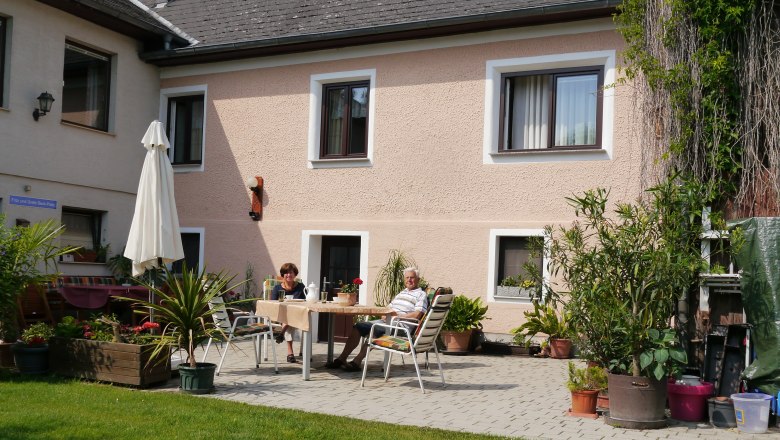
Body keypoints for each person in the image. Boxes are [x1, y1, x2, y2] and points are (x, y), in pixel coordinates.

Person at [326, 267, 428, 372]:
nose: (409, 280)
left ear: (418, 279)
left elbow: (417, 314)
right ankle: (342, 359)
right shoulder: (402, 293)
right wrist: (385, 314)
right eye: (407, 278)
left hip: (401, 326)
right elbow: (388, 308)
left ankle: (357, 361)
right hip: (388, 321)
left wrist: (396, 316)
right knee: (358, 327)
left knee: (374, 330)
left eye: (412, 277)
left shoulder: (421, 294)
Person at [270, 262, 305, 363]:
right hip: (281, 315)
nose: (289, 275)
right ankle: (290, 352)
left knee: (290, 318)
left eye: (291, 272)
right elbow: (273, 303)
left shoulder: (301, 287)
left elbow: (306, 301)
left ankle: (282, 334)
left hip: (297, 315)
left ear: (295, 274)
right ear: (283, 275)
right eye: (286, 273)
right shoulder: (277, 288)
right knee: (288, 319)